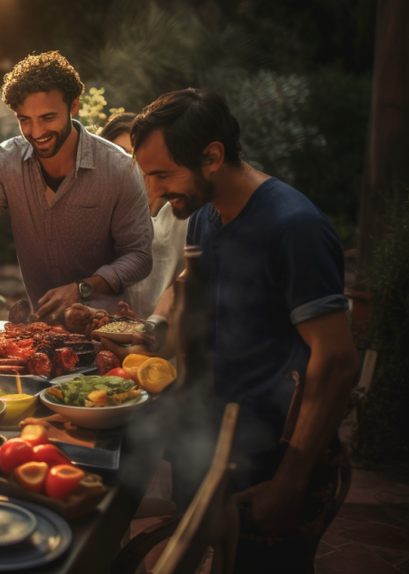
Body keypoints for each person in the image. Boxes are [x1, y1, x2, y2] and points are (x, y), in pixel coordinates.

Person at [110, 88, 359, 572]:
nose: (154, 193)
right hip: (217, 441)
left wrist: (291, 479)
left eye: (162, 175)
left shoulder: (294, 228)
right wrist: (154, 330)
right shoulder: (206, 213)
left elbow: (337, 361)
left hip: (273, 460)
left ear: (212, 156)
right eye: (147, 176)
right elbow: (186, 288)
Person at [0, 51, 152, 324]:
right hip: (41, 329)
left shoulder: (119, 169)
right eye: (24, 119)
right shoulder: (3, 163)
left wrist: (81, 288)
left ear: (74, 105)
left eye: (48, 117)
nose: (36, 132)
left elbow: (139, 256)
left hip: (107, 328)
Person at [98, 112, 188, 319]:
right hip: (108, 335)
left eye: (137, 156)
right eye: (120, 156)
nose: (131, 167)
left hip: (166, 341)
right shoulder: (96, 217)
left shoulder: (183, 213)